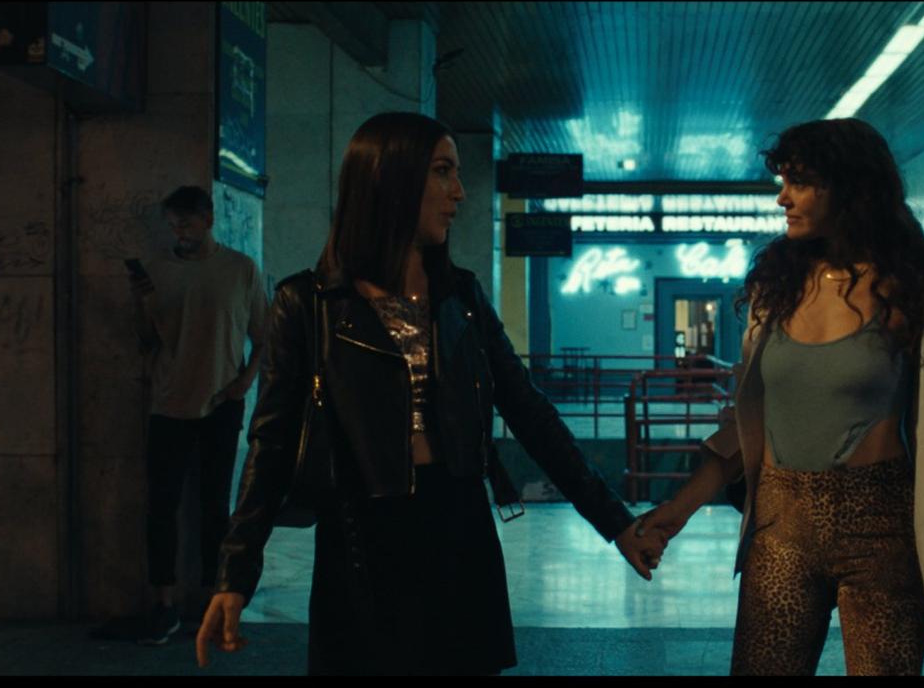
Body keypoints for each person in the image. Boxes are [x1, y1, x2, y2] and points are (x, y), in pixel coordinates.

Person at [195, 112, 666, 675]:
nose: (459, 192)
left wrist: (616, 522)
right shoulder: (309, 305)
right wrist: (234, 575)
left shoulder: (460, 297)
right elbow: (270, 445)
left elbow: (531, 414)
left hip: (460, 531)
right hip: (361, 541)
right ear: (390, 180)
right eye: (443, 172)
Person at [638, 118, 924, 675]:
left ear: (853, 188)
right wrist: (676, 511)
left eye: (800, 182)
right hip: (781, 525)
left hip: (885, 528)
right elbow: (747, 426)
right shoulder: (774, 290)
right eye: (783, 181)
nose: (782, 198)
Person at [129, 185, 268, 645]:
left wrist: (243, 384)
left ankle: (212, 600)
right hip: (168, 404)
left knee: (214, 509)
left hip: (220, 405)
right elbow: (146, 341)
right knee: (161, 507)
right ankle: (164, 603)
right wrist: (139, 302)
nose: (180, 234)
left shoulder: (240, 269)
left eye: (186, 224)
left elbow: (264, 337)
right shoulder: (158, 271)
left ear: (208, 219)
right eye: (173, 226)